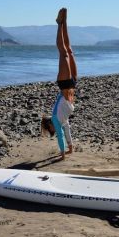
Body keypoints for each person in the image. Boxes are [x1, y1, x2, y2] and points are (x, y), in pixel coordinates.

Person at [41, 8, 77, 160]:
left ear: (49, 125)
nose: (53, 131)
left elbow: (60, 136)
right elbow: (66, 131)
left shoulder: (56, 118)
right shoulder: (62, 120)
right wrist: (70, 148)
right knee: (69, 50)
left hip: (64, 85)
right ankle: (65, 22)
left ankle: (59, 24)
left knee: (63, 52)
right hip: (72, 84)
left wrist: (62, 155)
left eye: (50, 130)